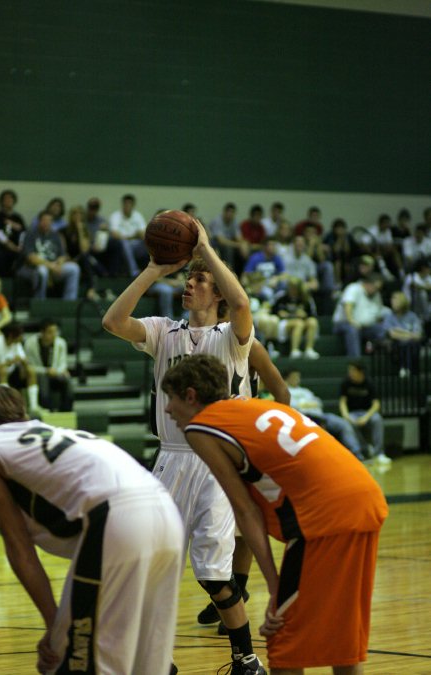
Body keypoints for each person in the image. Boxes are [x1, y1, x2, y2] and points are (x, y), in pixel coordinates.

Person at [102, 220, 267, 675]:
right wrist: (155, 269)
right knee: (153, 566)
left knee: (214, 573)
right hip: (171, 459)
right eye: (188, 278)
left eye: (199, 281)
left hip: (217, 463)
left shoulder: (231, 341)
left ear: (214, 294)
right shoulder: (163, 331)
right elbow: (113, 321)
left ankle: (246, 658)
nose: (189, 285)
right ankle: (158, 660)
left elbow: (241, 301)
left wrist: (207, 249)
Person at [161, 353, 388, 675]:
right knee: (343, 636)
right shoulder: (257, 406)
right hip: (365, 498)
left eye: (170, 398)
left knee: (284, 639)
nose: (167, 409)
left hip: (326, 515)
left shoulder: (202, 427)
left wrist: (273, 585)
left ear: (191, 396)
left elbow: (245, 510)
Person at [0, 384, 183, 675]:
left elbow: (20, 550)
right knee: (149, 665)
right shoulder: (58, 434)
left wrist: (54, 625)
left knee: (72, 659)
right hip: (165, 509)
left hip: (117, 517)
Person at [198, 338, 291, 635]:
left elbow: (282, 393)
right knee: (230, 523)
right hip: (208, 437)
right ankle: (230, 591)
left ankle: (237, 587)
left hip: (240, 438)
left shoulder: (250, 345)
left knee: (244, 520)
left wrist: (269, 430)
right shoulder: (197, 338)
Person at [283, 368, 364, 461]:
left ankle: (357, 455)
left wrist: (305, 404)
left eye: (298, 377)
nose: (297, 379)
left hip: (321, 415)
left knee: (343, 424)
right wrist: (307, 404)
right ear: (287, 378)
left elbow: (318, 402)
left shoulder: (305, 391)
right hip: (304, 418)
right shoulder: (286, 391)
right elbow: (293, 405)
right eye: (294, 377)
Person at [16, 210, 80, 300]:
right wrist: (50, 266)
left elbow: (62, 255)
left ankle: (69, 302)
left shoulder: (55, 235)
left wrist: (59, 265)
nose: (47, 223)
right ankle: (40, 302)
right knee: (42, 271)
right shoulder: (30, 234)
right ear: (39, 221)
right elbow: (30, 257)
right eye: (44, 220)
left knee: (74, 268)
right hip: (34, 268)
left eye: (49, 220)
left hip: (54, 267)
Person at [0, 322, 44, 416]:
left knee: (30, 371)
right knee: (3, 371)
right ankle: (6, 406)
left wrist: (24, 363)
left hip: (12, 373)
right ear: (12, 335)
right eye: (20, 335)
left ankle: (34, 406)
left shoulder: (17, 344)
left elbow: (23, 359)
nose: (22, 337)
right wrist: (8, 363)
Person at [339, 359, 391, 465]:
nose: (350, 373)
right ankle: (364, 449)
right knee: (348, 423)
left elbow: (376, 404)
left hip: (366, 413)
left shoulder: (369, 383)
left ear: (360, 372)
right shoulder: (345, 383)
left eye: (353, 370)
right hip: (352, 413)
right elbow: (342, 402)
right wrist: (346, 415)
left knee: (377, 419)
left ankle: (379, 453)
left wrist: (366, 417)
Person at [255, 277, 320, 359]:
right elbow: (272, 309)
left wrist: (304, 315)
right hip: (284, 322)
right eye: (291, 288)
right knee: (298, 323)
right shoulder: (281, 296)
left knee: (312, 322)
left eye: (294, 288)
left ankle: (309, 349)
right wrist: (280, 313)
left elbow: (313, 315)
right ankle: (294, 350)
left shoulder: (306, 298)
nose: (292, 290)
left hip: (303, 321)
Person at [24, 319, 74, 411]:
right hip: (38, 375)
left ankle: (66, 410)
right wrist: (46, 371)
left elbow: (63, 363)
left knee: (67, 379)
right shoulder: (30, 343)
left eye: (55, 331)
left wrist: (57, 371)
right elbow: (29, 366)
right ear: (42, 332)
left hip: (56, 374)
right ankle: (47, 410)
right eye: (50, 332)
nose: (54, 335)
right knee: (44, 379)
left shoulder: (61, 343)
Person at [332, 274, 387, 356]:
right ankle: (355, 361)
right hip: (343, 323)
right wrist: (351, 321)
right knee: (352, 329)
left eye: (379, 288)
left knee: (382, 329)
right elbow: (348, 305)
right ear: (368, 284)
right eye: (375, 287)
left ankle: (379, 358)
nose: (376, 290)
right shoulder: (354, 288)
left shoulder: (376, 295)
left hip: (364, 327)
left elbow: (378, 314)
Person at [60, 206, 103, 301]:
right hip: (67, 259)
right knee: (87, 261)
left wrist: (80, 230)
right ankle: (92, 286)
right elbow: (62, 250)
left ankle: (91, 288)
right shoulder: (63, 231)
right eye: (75, 214)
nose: (77, 217)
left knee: (86, 258)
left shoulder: (85, 231)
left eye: (80, 214)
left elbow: (84, 250)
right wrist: (69, 259)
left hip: (81, 259)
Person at [381, 291, 423, 376]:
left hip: (412, 344)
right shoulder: (389, 317)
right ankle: (405, 368)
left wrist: (401, 331)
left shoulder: (412, 316)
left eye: (396, 300)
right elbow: (392, 334)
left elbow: (418, 335)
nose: (393, 302)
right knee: (404, 344)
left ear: (403, 301)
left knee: (411, 344)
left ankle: (408, 369)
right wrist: (409, 334)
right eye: (392, 300)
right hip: (396, 345)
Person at [109, 194, 148, 278]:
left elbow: (143, 234)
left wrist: (127, 237)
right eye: (125, 203)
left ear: (133, 205)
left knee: (149, 241)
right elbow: (114, 234)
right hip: (121, 246)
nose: (127, 206)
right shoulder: (115, 216)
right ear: (122, 204)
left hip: (135, 246)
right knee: (124, 243)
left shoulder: (138, 216)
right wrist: (133, 236)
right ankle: (134, 271)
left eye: (129, 204)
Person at [0, 189, 27, 277]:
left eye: (10, 199)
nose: (8, 201)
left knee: (23, 255)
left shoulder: (18, 218)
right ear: (2, 202)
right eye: (6, 199)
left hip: (18, 247)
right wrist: (11, 246)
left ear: (14, 201)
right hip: (3, 247)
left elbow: (24, 233)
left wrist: (20, 246)